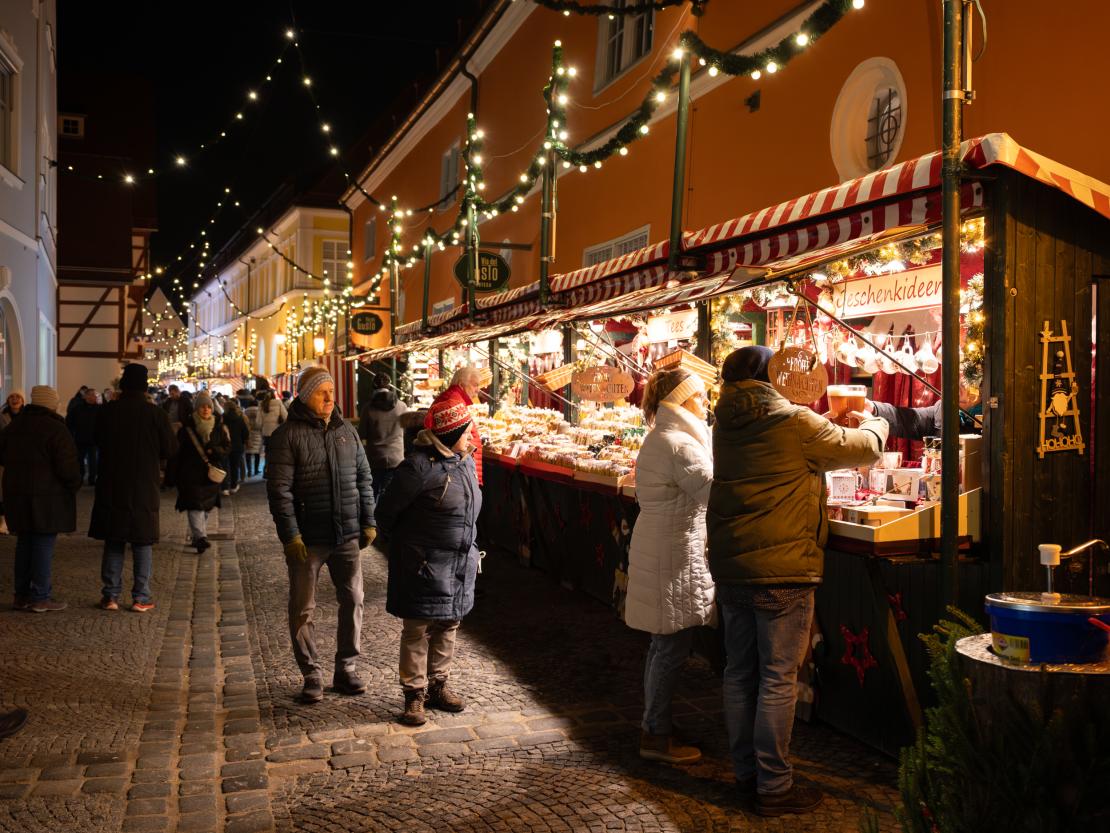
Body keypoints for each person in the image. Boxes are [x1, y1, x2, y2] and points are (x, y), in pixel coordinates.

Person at [708, 346, 888, 817]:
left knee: (739, 673)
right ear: (772, 377)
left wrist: (824, 419)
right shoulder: (793, 422)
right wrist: (873, 418)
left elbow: (794, 447)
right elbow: (863, 449)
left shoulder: (724, 423)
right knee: (777, 678)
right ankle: (775, 786)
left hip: (732, 567)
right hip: (783, 568)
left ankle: (747, 773)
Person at [265, 365, 376, 705]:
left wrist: (368, 520)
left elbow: (364, 477)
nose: (330, 397)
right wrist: (290, 536)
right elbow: (279, 491)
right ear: (304, 395)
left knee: (354, 600)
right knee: (302, 608)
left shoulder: (346, 431)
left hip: (346, 534)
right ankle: (311, 672)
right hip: (309, 538)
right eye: (321, 391)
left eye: (331, 390)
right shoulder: (288, 435)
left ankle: (346, 667)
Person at [624, 369, 715, 765]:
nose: (708, 403)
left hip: (663, 549)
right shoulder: (681, 445)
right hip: (673, 556)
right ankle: (656, 735)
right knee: (670, 648)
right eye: (702, 396)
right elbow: (717, 494)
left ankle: (654, 726)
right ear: (684, 400)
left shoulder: (663, 437)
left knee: (662, 646)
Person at [376, 398, 482, 727]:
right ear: (451, 433)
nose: (472, 437)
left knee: (449, 623)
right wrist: (413, 548)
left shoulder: (464, 460)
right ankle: (414, 695)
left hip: (457, 562)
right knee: (418, 628)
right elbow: (385, 513)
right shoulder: (417, 466)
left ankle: (438, 686)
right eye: (467, 431)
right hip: (423, 562)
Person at [89, 363, 177, 612]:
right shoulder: (155, 414)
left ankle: (110, 595)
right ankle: (141, 596)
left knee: (114, 539)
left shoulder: (108, 411)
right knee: (142, 541)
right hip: (143, 484)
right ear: (144, 385)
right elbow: (170, 448)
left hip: (112, 482)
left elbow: (95, 439)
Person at [0, 386, 80, 613]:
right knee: (43, 545)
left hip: (17, 495)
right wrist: (74, 485)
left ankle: (21, 595)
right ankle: (40, 596)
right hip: (48, 498)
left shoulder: (15, 426)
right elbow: (68, 468)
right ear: (51, 404)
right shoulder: (56, 429)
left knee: (24, 544)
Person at [165, 391, 230, 554]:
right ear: (196, 409)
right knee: (195, 506)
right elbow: (176, 454)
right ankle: (200, 537)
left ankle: (197, 535)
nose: (206, 409)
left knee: (206, 506)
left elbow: (227, 448)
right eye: (202, 407)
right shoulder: (186, 429)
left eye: (208, 406)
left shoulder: (219, 427)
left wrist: (215, 450)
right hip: (190, 474)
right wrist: (171, 476)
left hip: (210, 475)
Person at [865, 381, 982, 440]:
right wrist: (874, 408)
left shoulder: (993, 416)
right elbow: (906, 419)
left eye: (968, 379)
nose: (960, 382)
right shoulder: (942, 411)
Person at [426, 366, 484, 486]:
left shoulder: (455, 398)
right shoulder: (453, 401)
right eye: (475, 385)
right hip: (455, 472)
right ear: (461, 385)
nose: (478, 389)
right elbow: (452, 440)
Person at [359, 373, 409, 500]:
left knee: (373, 495)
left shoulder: (367, 409)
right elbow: (407, 431)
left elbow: (362, 434)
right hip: (396, 457)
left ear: (373, 386)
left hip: (375, 458)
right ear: (390, 385)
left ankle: (373, 519)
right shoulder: (402, 406)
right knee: (393, 496)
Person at [67, 388, 101, 486]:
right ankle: (80, 477)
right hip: (80, 439)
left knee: (93, 461)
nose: (93, 397)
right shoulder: (78, 409)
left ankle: (92, 479)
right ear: (85, 396)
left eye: (95, 395)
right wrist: (72, 435)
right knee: (79, 460)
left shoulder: (99, 409)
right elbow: (70, 422)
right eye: (91, 395)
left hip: (94, 439)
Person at [221, 399, 249, 495]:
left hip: (225, 446)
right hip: (237, 446)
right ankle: (233, 486)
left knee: (224, 466)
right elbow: (245, 433)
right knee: (234, 466)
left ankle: (224, 488)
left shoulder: (222, 418)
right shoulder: (240, 418)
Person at [257, 390, 288, 463]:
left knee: (267, 451)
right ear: (274, 395)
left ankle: (267, 467)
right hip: (277, 431)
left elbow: (258, 422)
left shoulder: (262, 404)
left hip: (266, 433)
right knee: (276, 451)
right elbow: (285, 416)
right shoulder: (278, 402)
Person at [244, 399, 263, 477]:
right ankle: (256, 470)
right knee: (257, 453)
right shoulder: (259, 411)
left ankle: (249, 471)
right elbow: (261, 423)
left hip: (248, 433)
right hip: (258, 433)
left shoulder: (245, 411)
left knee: (248, 453)